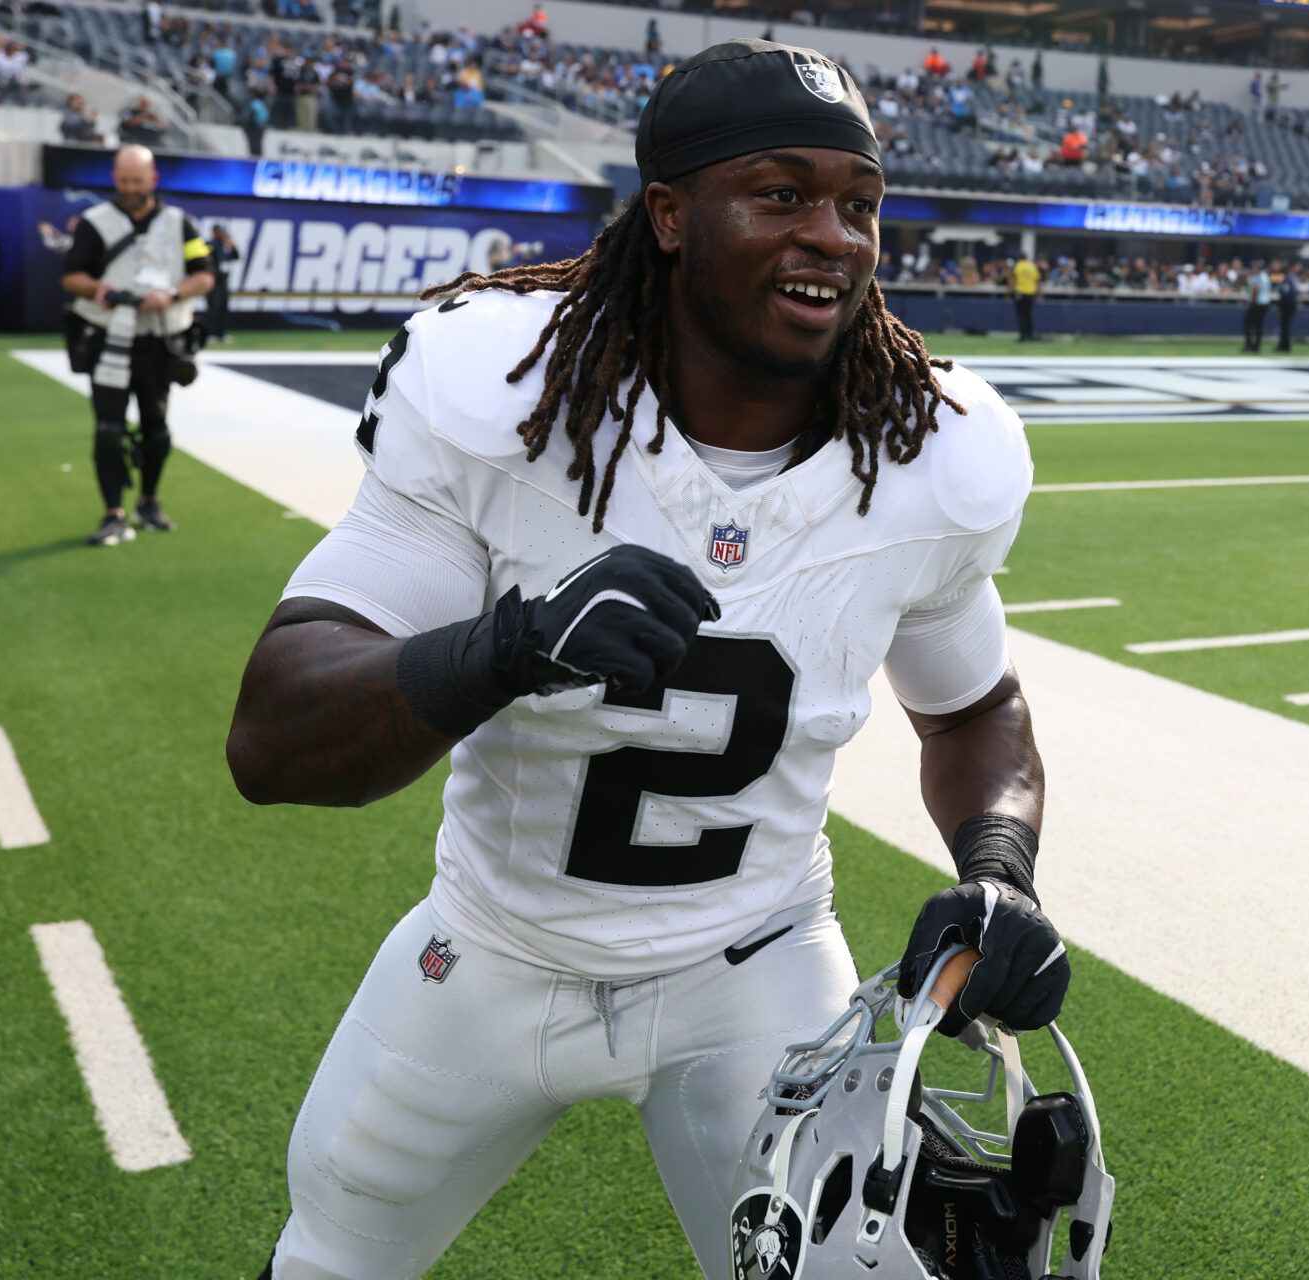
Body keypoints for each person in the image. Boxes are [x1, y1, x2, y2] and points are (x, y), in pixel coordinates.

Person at [226, 39, 1071, 1280]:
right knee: (331, 1260)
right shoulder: (508, 396)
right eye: (781, 194)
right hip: (494, 949)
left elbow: (973, 710)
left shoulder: (927, 455)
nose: (832, 234)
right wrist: (504, 647)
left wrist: (1001, 869)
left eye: (858, 203)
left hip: (758, 967)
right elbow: (275, 737)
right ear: (670, 215)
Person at [59, 145, 214, 546]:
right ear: (115, 178)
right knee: (108, 428)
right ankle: (113, 512)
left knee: (156, 428)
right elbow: (71, 276)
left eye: (138, 180)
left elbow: (205, 276)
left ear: (153, 179)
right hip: (108, 338)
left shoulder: (180, 223)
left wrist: (173, 294)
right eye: (124, 180)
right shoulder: (95, 222)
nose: (130, 188)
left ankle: (149, 500)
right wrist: (100, 289)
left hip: (159, 340)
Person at [205, 223, 239, 342]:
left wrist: (232, 246)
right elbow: (208, 260)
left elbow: (235, 257)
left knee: (223, 307)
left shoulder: (226, 244)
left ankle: (221, 334)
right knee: (213, 307)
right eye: (218, 231)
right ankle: (211, 334)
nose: (220, 234)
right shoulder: (209, 244)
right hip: (213, 280)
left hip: (224, 280)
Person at [1242, 257, 1273, 352]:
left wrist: (1252, 302)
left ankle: (1251, 345)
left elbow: (1256, 289)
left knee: (1249, 324)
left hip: (1258, 303)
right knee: (1258, 325)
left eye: (1254, 267)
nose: (1252, 268)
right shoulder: (1264, 276)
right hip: (1264, 303)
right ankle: (1255, 346)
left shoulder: (1259, 277)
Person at [1010, 247, 1040, 340]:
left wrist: (1009, 293)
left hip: (1020, 293)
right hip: (1031, 293)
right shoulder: (1032, 266)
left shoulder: (1017, 266)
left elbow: (1012, 281)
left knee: (1021, 316)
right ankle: (1030, 334)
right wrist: (1037, 294)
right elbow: (1037, 281)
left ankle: (1022, 335)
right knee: (1028, 315)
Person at [1273, 259, 1298, 353]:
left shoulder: (1286, 279)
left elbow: (1285, 294)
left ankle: (1285, 347)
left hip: (1287, 304)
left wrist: (1280, 307)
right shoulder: (1291, 277)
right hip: (1290, 303)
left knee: (1285, 327)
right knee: (1285, 326)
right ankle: (1282, 345)